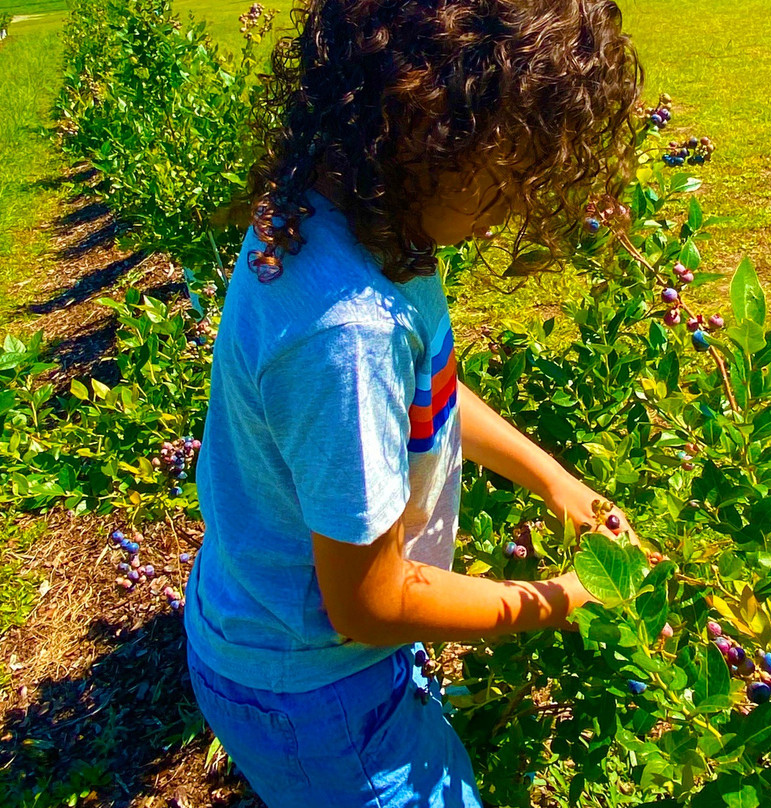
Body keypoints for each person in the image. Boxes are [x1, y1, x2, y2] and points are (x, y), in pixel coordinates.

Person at [183, 0, 643, 805]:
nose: (508, 212)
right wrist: (562, 599)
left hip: (287, 639)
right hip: (317, 693)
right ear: (430, 128)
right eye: (506, 182)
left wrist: (553, 480)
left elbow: (426, 391)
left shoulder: (345, 212)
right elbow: (370, 600)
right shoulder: (347, 332)